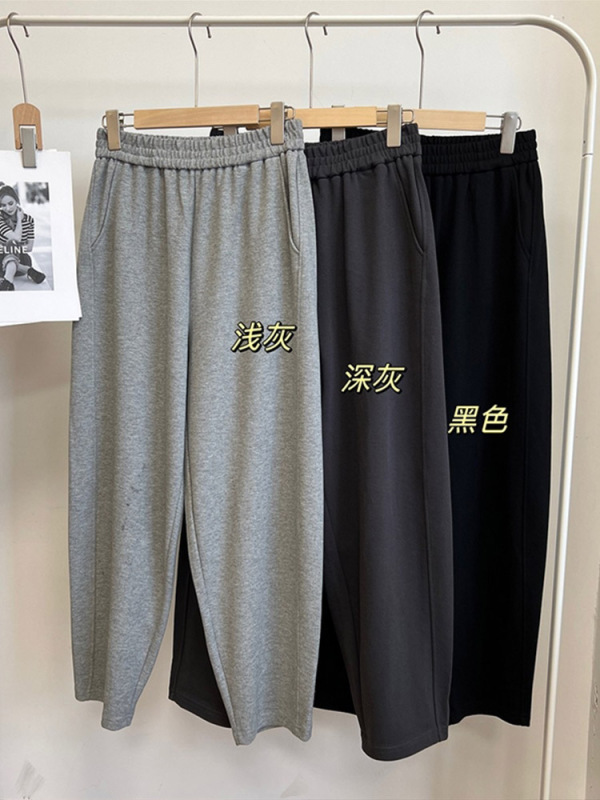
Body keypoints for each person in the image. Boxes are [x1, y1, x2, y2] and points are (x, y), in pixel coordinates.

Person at [0, 185, 45, 290]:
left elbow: (29, 247)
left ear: (16, 200)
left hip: (22, 259)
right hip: (1, 262)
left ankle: (8, 281)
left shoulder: (29, 220)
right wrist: (20, 221)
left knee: (11, 243)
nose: (8, 208)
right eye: (3, 205)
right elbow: (17, 239)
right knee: (12, 243)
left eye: (10, 203)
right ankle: (27, 270)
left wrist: (19, 220)